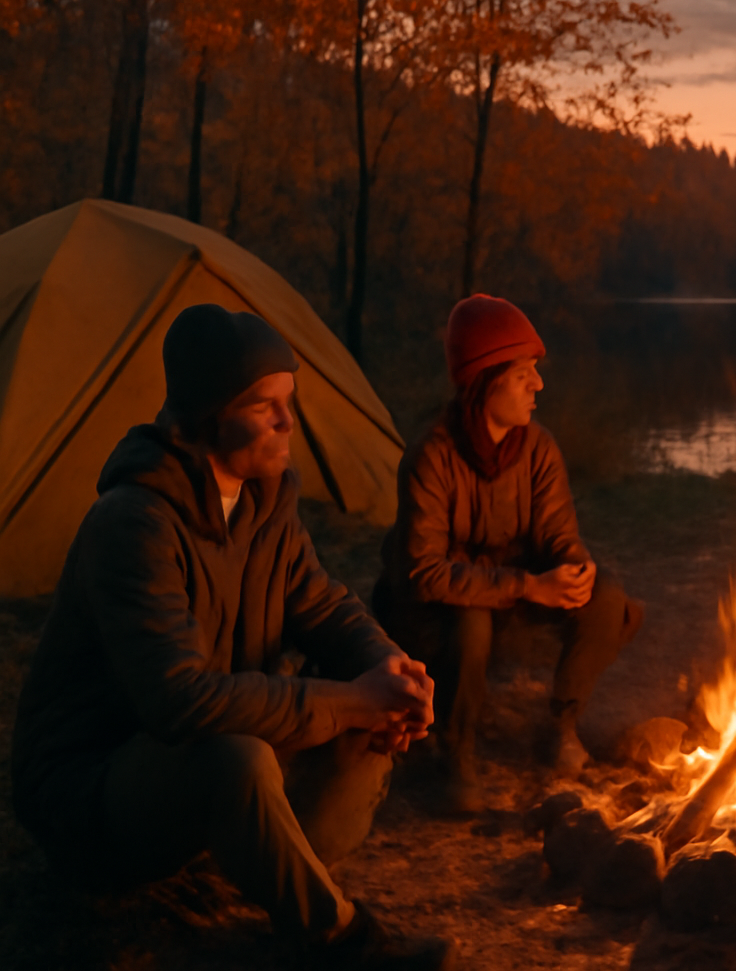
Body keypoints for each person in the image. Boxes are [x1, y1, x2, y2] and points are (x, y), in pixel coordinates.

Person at [10, 304, 454, 969]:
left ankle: (268, 854)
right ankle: (339, 941)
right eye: (264, 406)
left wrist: (390, 669)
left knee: (364, 700)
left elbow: (321, 604)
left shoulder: (263, 501)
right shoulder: (134, 524)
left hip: (195, 756)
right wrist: (351, 702)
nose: (287, 422)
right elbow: (182, 701)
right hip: (93, 793)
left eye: (288, 402)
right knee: (237, 755)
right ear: (207, 416)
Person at [373, 294, 643, 812]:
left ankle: (560, 725)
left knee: (607, 596)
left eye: (534, 373)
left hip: (512, 592)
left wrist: (575, 569)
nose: (537, 385)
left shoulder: (537, 448)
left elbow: (559, 533)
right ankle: (456, 753)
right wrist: (528, 586)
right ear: (484, 382)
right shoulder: (432, 454)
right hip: (429, 610)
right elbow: (423, 573)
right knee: (471, 619)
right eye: (523, 375)